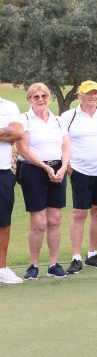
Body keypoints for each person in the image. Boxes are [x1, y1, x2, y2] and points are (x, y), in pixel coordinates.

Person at [62, 80, 97, 274]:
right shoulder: (69, 116)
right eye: (88, 93)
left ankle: (92, 254)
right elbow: (61, 142)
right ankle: (76, 257)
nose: (92, 96)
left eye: (95, 93)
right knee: (79, 213)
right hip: (80, 171)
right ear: (80, 96)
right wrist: (68, 166)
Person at [17, 83, 71, 280]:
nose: (40, 99)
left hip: (58, 169)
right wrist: (46, 168)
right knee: (38, 222)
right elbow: (23, 149)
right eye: (36, 96)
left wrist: (63, 167)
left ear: (49, 98)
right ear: (30, 99)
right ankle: (33, 265)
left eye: (44, 96)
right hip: (33, 170)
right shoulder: (24, 120)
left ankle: (54, 264)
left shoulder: (58, 120)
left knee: (55, 219)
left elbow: (66, 146)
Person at [0, 94, 23, 284]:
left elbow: (17, 133)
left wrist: (10, 134)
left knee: (3, 222)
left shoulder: (9, 106)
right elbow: (9, 133)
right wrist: (3, 133)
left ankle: (1, 268)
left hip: (3, 172)